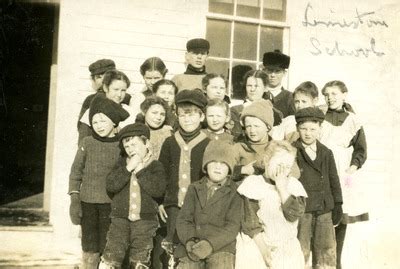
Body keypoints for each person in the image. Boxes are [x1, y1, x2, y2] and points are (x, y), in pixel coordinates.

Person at [69, 95, 129, 269]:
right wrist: (74, 199)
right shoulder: (87, 143)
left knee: (108, 244)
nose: (99, 126)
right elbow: (75, 172)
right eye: (95, 122)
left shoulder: (121, 145)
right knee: (89, 245)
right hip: (87, 204)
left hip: (111, 205)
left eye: (103, 121)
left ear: (114, 122)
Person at [98, 123, 166, 269]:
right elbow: (111, 185)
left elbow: (158, 190)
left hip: (145, 221)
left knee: (140, 257)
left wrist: (140, 169)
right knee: (113, 253)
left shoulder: (155, 166)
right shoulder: (122, 164)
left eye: (134, 145)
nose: (130, 150)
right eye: (127, 147)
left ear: (147, 143)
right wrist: (128, 168)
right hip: (120, 219)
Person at [319, 81, 368, 269]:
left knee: (340, 213)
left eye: (334, 94)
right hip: (321, 167)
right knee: (321, 213)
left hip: (342, 170)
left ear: (344, 95)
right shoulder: (320, 115)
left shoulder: (353, 120)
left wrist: (352, 168)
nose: (330, 98)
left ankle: (335, 262)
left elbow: (361, 149)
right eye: (327, 94)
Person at [235, 140, 307, 269]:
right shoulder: (253, 184)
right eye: (279, 165)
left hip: (286, 243)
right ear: (267, 161)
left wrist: (282, 189)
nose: (282, 171)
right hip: (257, 242)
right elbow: (250, 222)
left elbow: (294, 214)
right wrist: (264, 250)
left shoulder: (293, 186)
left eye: (287, 167)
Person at [158, 89, 210, 265]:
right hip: (173, 206)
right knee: (172, 248)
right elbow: (162, 175)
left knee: (193, 250)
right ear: (177, 116)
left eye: (192, 115)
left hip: (198, 207)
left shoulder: (208, 143)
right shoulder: (170, 142)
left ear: (202, 117)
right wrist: (160, 201)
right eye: (182, 115)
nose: (187, 119)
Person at [175, 141, 242, 269]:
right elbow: (184, 219)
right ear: (206, 165)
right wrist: (189, 240)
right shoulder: (194, 188)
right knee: (187, 266)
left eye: (223, 163)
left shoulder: (235, 192)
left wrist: (210, 244)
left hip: (220, 246)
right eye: (214, 162)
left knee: (221, 264)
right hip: (193, 244)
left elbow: (232, 226)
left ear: (229, 168)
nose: (218, 167)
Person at [293, 107, 343, 269]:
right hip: (303, 211)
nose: (308, 133)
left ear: (320, 129)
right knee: (301, 249)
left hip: (324, 210)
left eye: (313, 129)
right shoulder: (293, 151)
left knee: (326, 250)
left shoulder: (326, 153)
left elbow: (334, 180)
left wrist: (338, 204)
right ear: (297, 129)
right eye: (303, 129)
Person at [79, 70, 137, 143]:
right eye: (116, 89)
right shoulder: (93, 111)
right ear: (106, 88)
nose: (119, 94)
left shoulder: (129, 111)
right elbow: (83, 141)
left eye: (123, 90)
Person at [230, 70, 283, 140]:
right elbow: (236, 136)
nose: (252, 89)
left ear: (265, 88)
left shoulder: (275, 113)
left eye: (256, 86)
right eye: (249, 86)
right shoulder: (236, 111)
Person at [262, 50, 295, 118]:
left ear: (284, 73)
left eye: (277, 71)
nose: (273, 75)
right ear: (264, 71)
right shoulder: (259, 93)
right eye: (270, 71)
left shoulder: (290, 97)